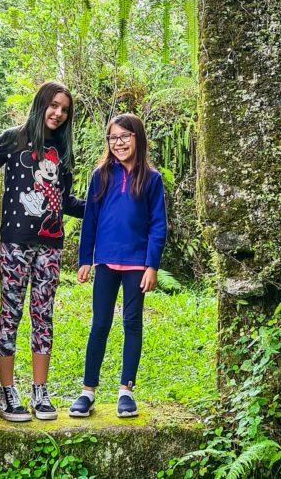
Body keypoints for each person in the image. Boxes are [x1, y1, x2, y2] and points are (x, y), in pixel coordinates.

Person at [0, 81, 85, 422]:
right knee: (10, 314)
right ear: (41, 104)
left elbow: (65, 202)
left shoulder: (62, 151)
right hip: (15, 243)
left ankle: (40, 392)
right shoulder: (13, 139)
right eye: (54, 105)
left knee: (44, 316)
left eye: (65, 110)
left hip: (51, 246)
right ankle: (7, 393)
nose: (58, 113)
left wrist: (106, 204)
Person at [69, 113, 167, 419]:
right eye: (113, 138)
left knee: (131, 323)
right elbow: (91, 221)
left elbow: (158, 225)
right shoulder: (101, 175)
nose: (119, 143)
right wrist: (86, 259)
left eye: (125, 137)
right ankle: (87, 391)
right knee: (100, 324)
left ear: (138, 138)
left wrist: (152, 265)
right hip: (106, 263)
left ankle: (126, 391)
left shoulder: (152, 179)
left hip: (137, 264)